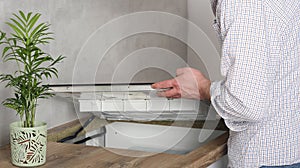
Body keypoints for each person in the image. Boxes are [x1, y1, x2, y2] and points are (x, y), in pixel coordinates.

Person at [152, 0, 300, 167]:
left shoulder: (241, 3)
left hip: (264, 159)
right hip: (290, 152)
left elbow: (247, 104)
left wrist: (202, 88)